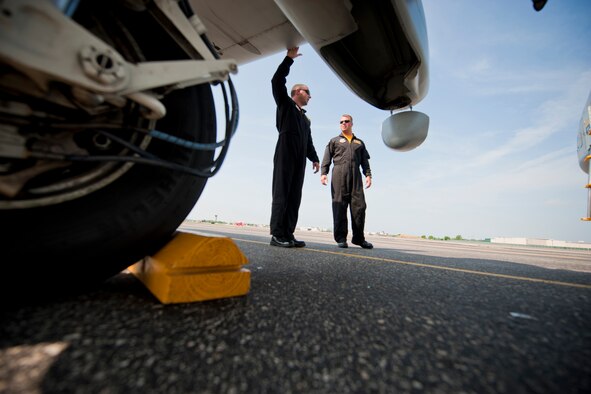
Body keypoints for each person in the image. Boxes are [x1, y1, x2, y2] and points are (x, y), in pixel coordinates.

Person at [269, 47, 320, 248]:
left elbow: (308, 142)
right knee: (282, 192)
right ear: (298, 92)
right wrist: (289, 59)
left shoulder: (305, 119)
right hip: (285, 151)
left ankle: (288, 233)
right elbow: (276, 81)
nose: (310, 96)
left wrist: (314, 158)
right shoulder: (285, 104)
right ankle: (276, 234)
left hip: (300, 158)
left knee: (294, 194)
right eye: (308, 92)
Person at [320, 114, 373, 249]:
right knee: (339, 206)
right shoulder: (334, 141)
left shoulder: (359, 143)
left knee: (359, 207)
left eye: (346, 121)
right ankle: (341, 238)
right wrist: (324, 173)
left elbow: (364, 161)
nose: (343, 123)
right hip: (339, 174)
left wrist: (368, 175)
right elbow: (327, 158)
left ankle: (359, 239)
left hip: (355, 176)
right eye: (341, 122)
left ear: (351, 123)